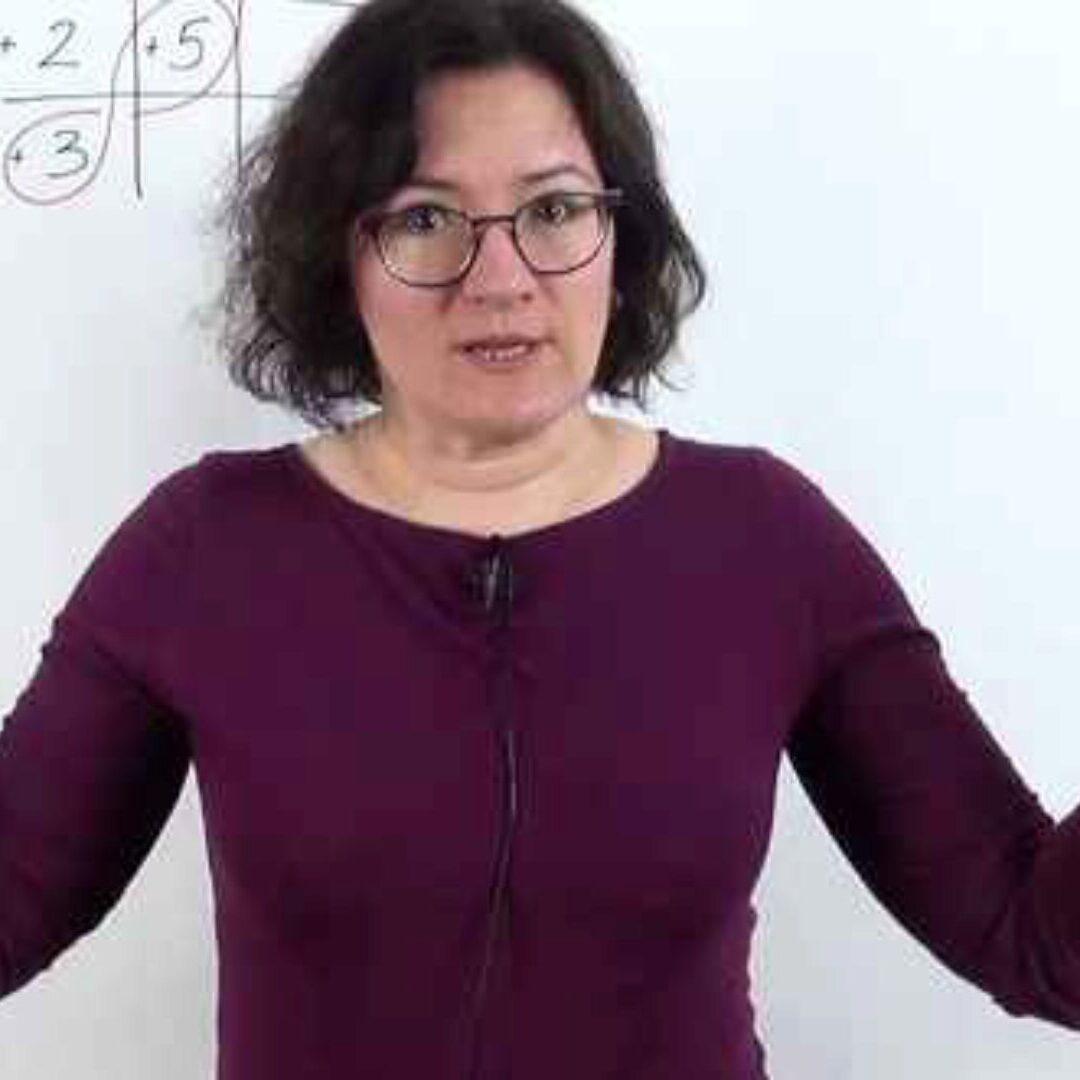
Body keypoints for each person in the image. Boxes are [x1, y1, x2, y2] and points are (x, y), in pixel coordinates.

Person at [1, 0, 1077, 1078]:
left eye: (555, 209)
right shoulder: (204, 552)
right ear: (340, 251)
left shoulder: (767, 540)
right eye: (426, 218)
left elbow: (1032, 935)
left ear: (620, 237)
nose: (502, 278)